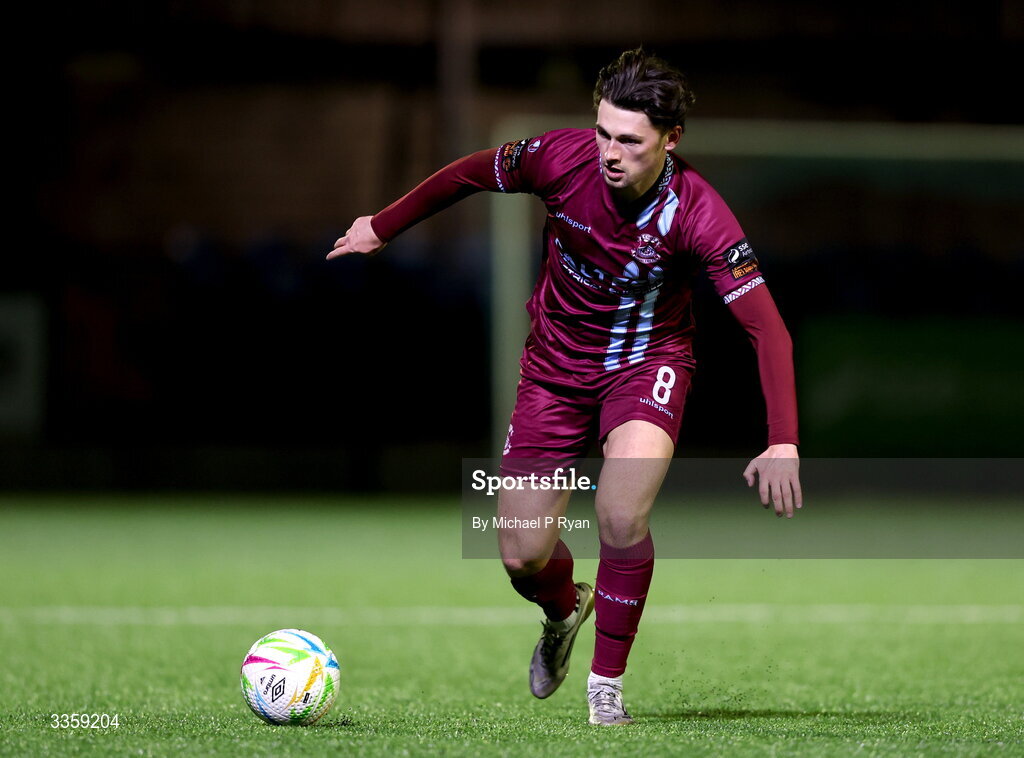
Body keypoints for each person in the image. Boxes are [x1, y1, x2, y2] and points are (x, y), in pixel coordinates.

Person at [328, 48, 802, 726]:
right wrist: (382, 224)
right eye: (604, 132)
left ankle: (606, 685)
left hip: (647, 366)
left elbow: (769, 330)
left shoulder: (697, 213)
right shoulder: (558, 157)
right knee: (522, 555)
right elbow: (468, 174)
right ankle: (562, 609)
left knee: (619, 512)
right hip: (552, 369)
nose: (610, 152)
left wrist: (782, 441)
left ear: (670, 140)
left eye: (630, 141)